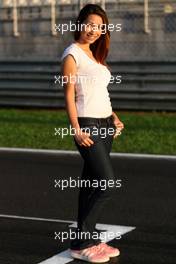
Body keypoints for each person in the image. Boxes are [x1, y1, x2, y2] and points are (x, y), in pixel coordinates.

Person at [60, 3, 124, 263]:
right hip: (87, 125)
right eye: (90, 25)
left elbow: (101, 92)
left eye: (99, 27)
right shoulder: (72, 54)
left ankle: (89, 238)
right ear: (80, 24)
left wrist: (114, 117)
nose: (94, 31)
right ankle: (81, 242)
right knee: (107, 183)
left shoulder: (95, 55)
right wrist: (76, 129)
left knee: (91, 184)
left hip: (105, 124)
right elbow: (68, 95)